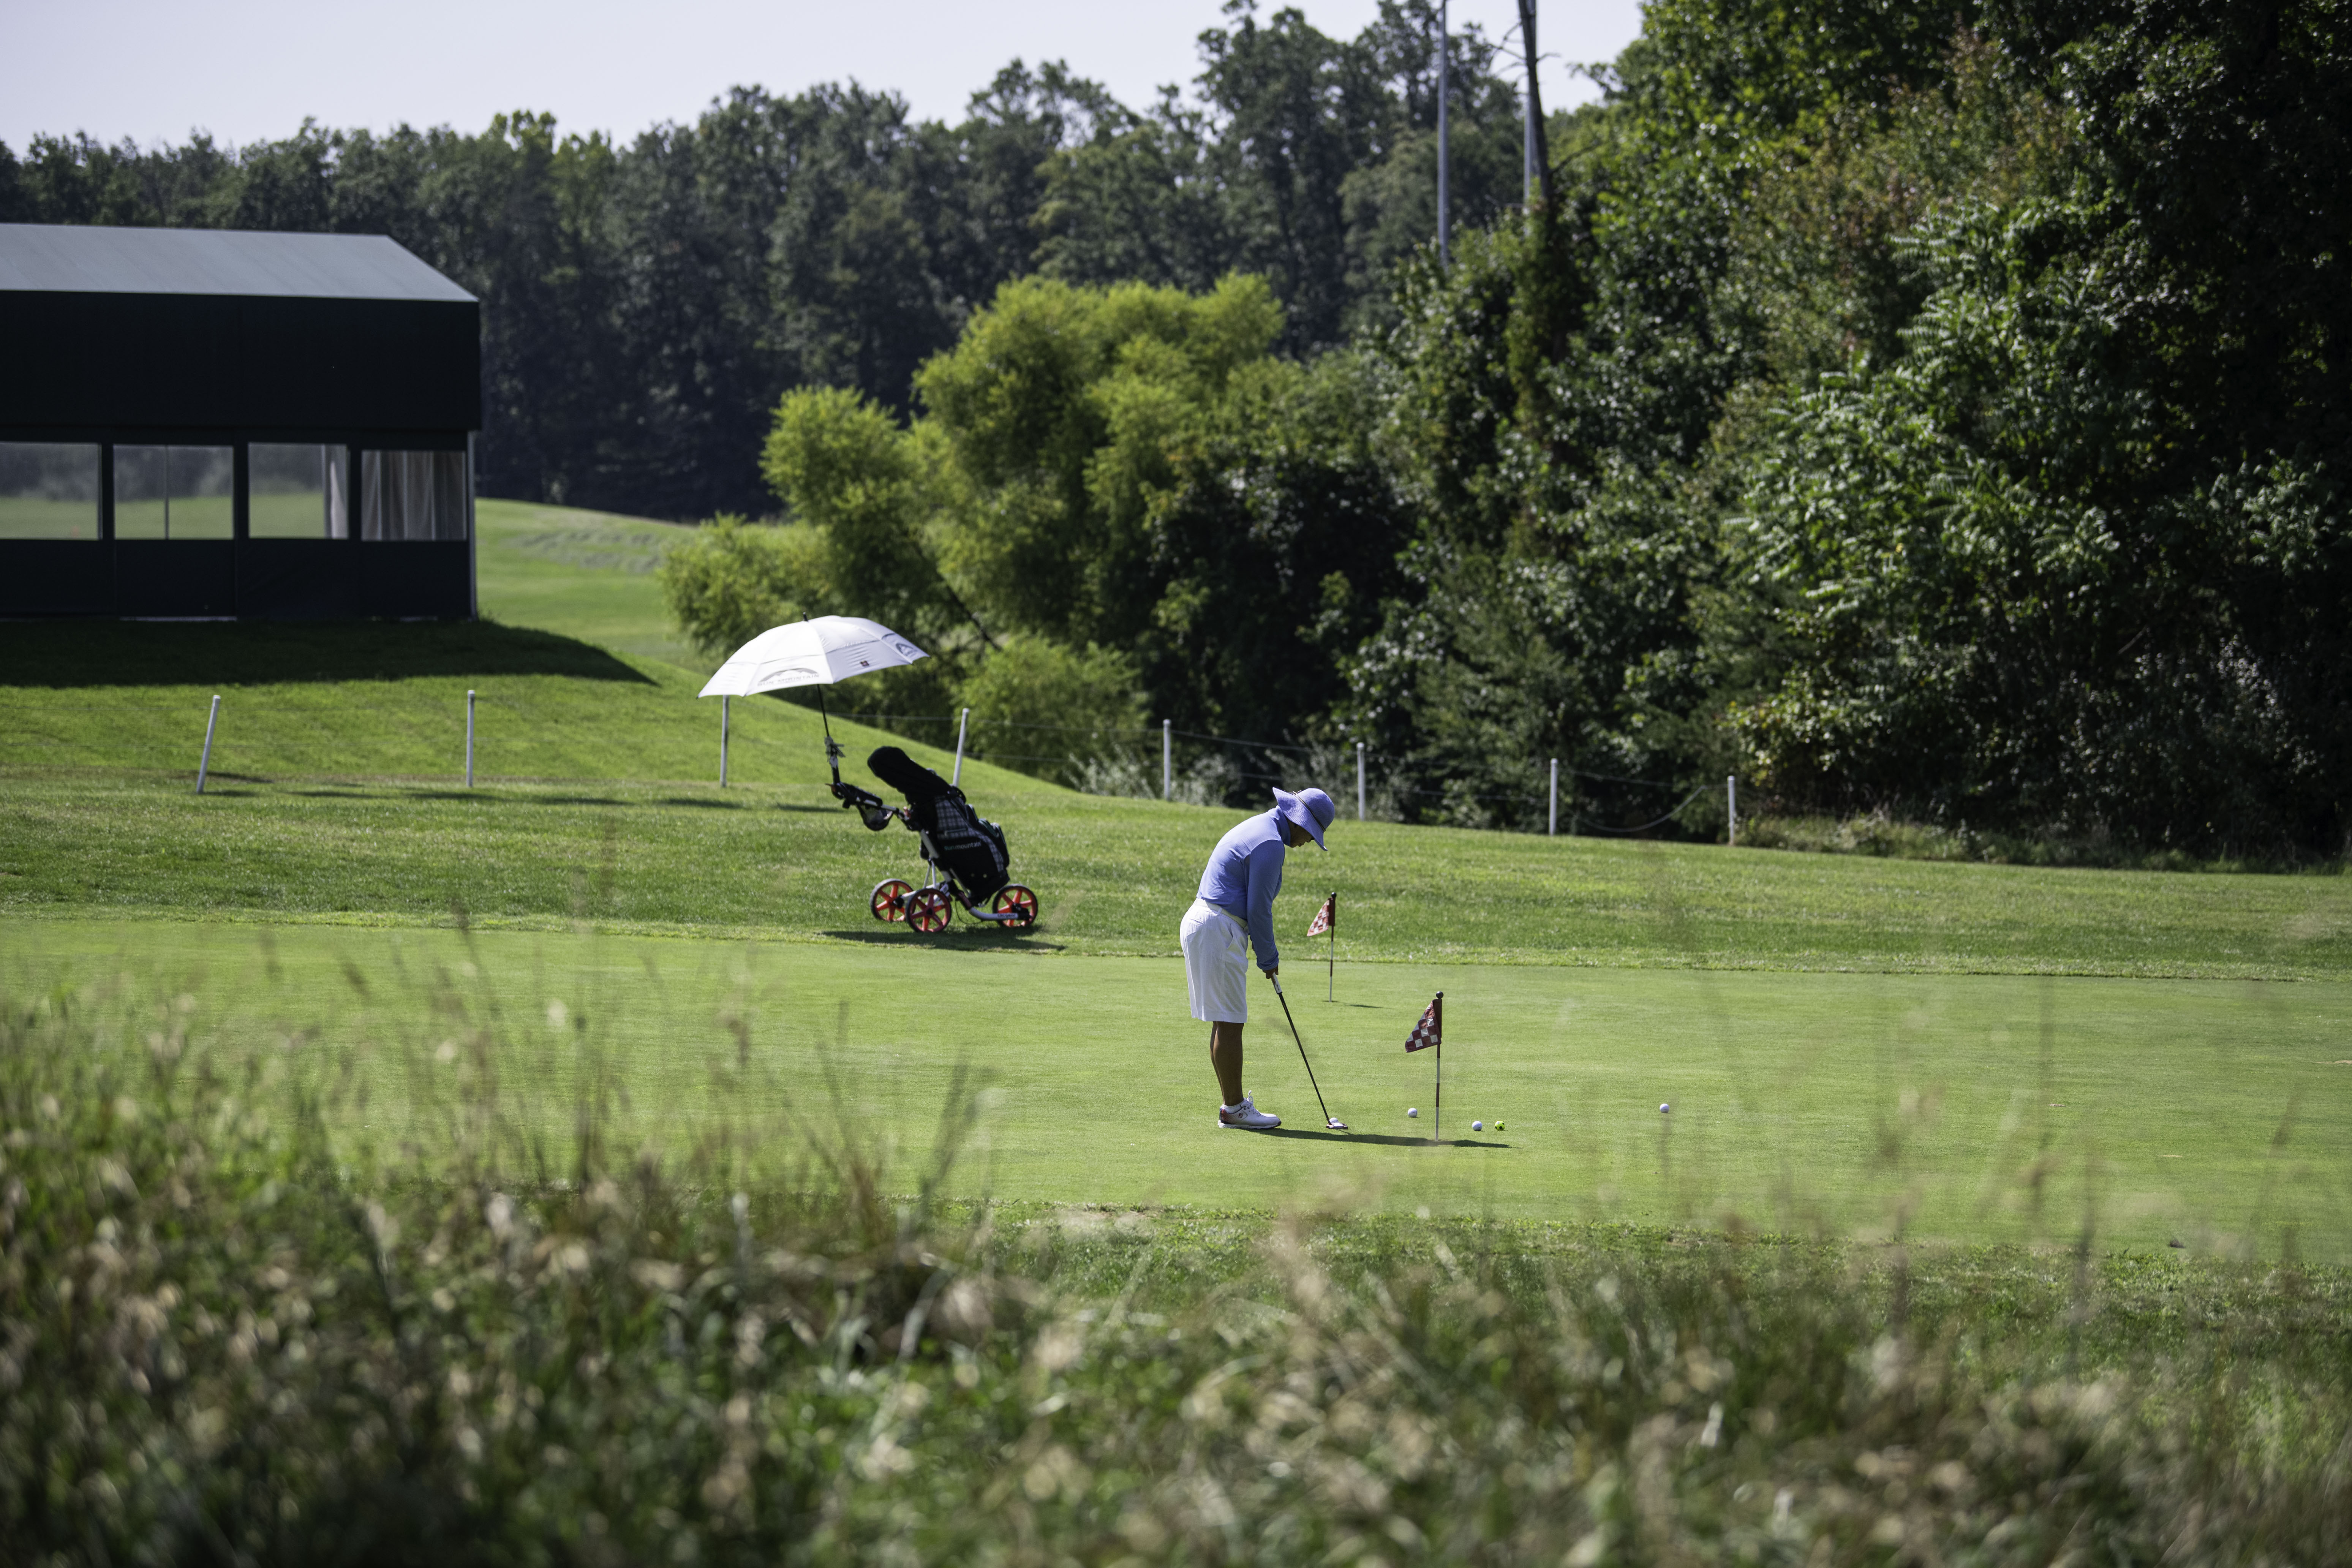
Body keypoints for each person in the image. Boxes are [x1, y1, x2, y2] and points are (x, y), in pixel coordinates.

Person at [1181, 785, 1336, 1129]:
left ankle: (1231, 1107)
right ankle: (1235, 1109)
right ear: (1300, 823)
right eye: (1312, 833)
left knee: (1226, 1020)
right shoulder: (1269, 844)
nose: (1310, 841)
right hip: (1219, 928)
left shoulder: (1261, 827)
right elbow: (1259, 909)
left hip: (1208, 922)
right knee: (1231, 1022)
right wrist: (1269, 958)